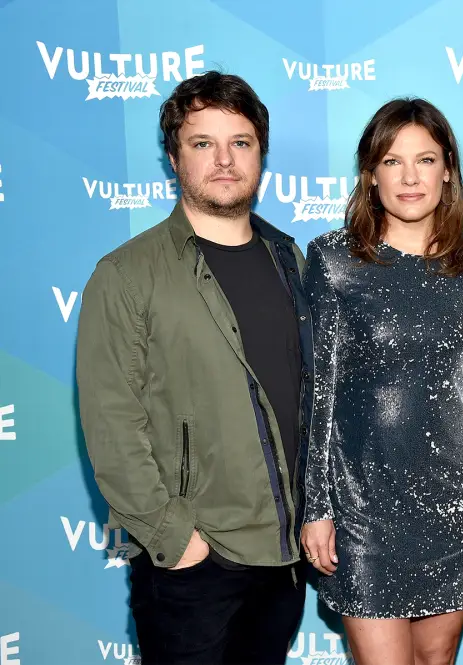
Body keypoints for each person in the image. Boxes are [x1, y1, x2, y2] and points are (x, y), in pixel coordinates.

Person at [76, 71, 312, 664]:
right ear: (174, 157)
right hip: (193, 566)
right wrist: (175, 539)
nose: (224, 159)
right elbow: (112, 422)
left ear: (261, 153)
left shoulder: (289, 258)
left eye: (240, 142)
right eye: (203, 143)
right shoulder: (127, 274)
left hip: (283, 558)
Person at [299, 97, 463, 665]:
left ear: (448, 170)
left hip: (451, 498)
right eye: (392, 161)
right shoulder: (335, 260)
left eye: (425, 160)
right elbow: (319, 394)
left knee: (437, 660)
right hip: (362, 502)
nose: (410, 177)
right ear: (371, 175)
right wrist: (316, 507)